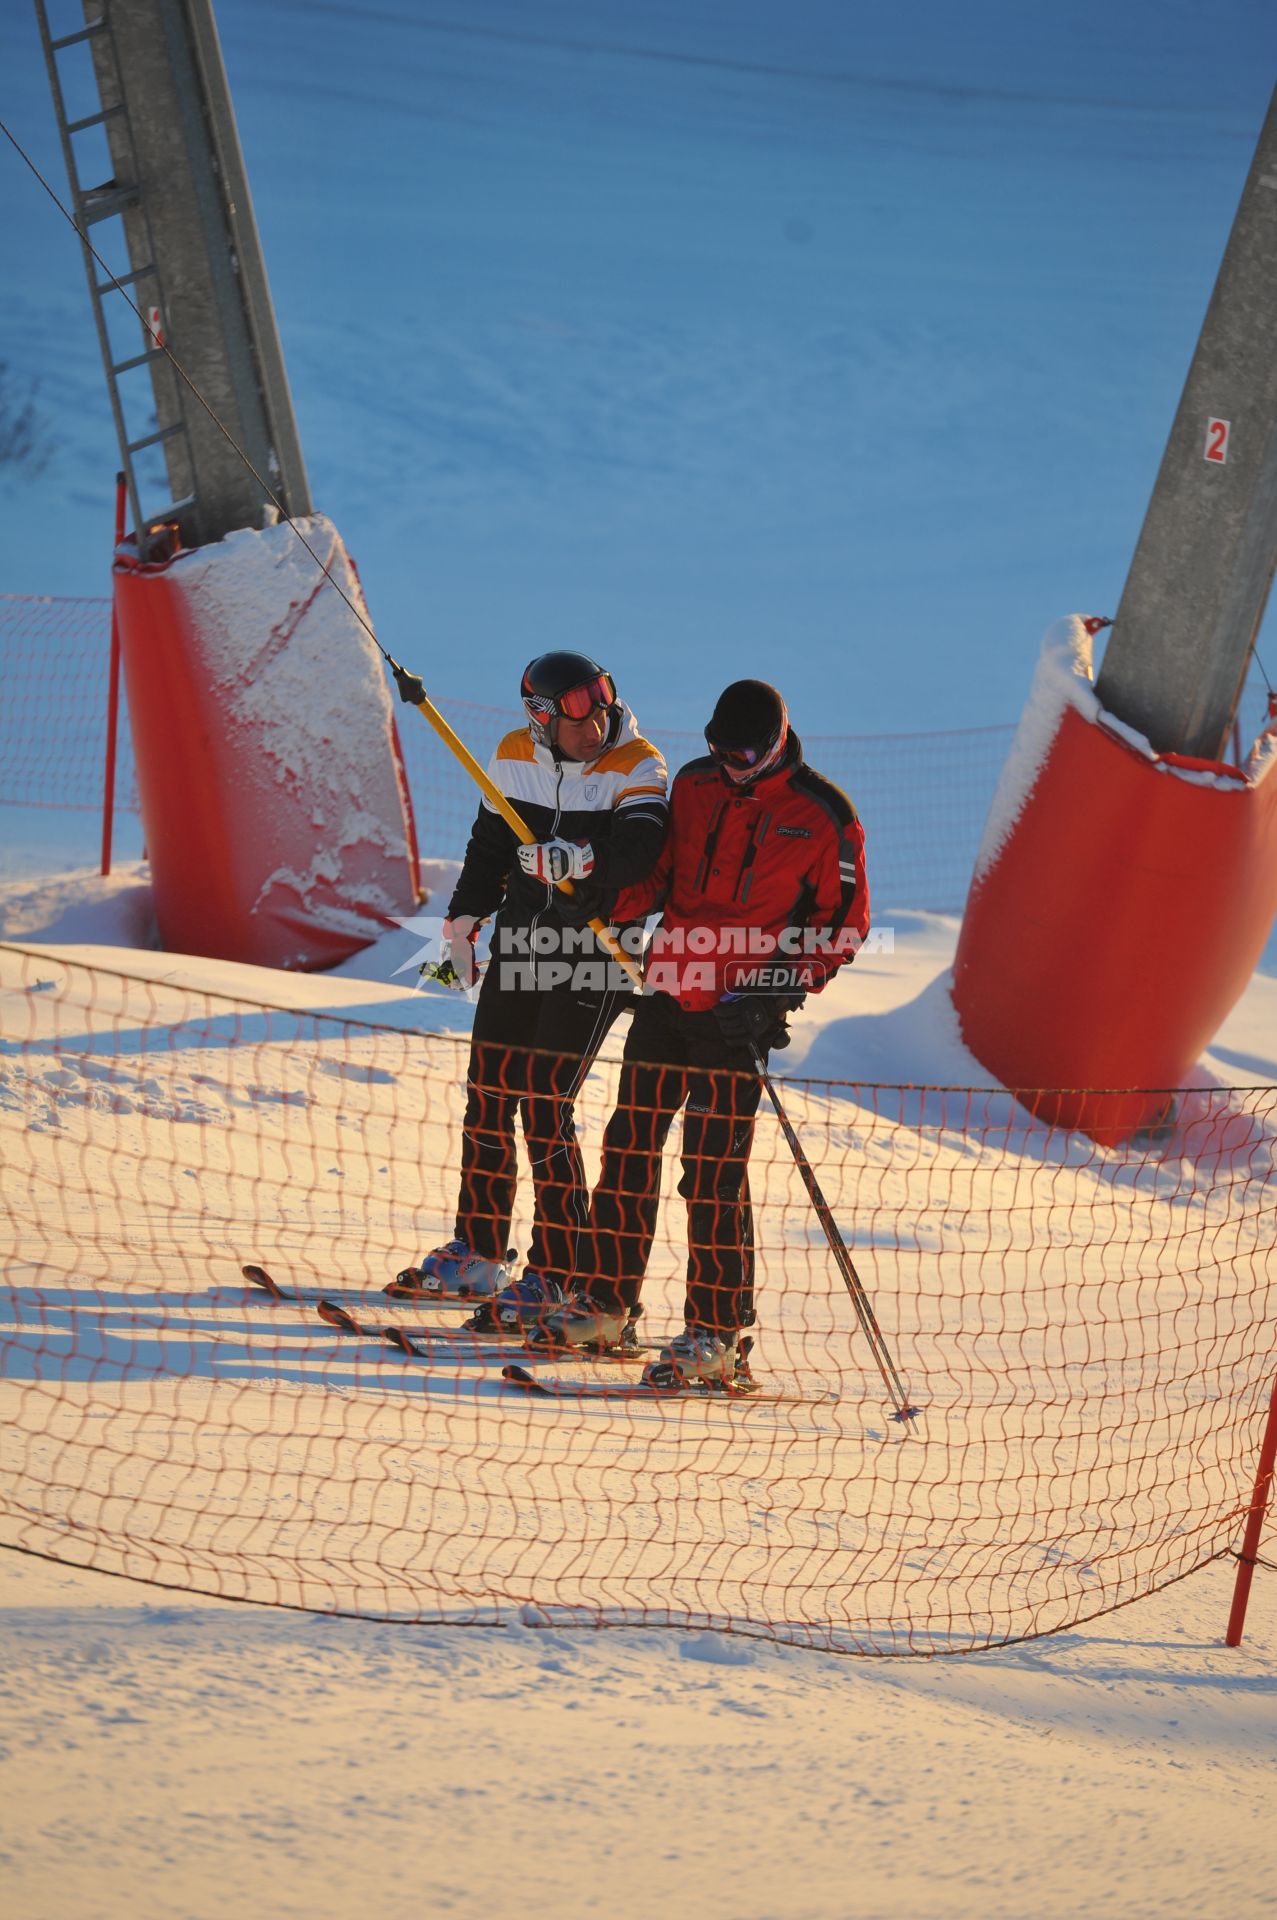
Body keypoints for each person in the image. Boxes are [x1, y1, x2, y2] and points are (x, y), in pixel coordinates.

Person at [539, 678, 869, 1387]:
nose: (731, 763)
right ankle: (606, 1302)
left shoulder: (823, 815)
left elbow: (840, 929)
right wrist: (603, 899)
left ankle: (716, 1334)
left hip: (734, 1019)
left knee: (713, 1176)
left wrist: (771, 993)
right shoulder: (693, 785)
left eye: (744, 753)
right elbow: (658, 876)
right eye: (719, 749)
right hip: (667, 991)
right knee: (627, 1145)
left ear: (777, 742)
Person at [405, 652, 668, 1320]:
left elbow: (644, 849)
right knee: (489, 1090)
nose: (595, 723)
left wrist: (582, 857)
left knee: (545, 1101)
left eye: (602, 703)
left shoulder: (636, 762)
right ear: (540, 717)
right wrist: (464, 919)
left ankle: (559, 1268)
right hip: (524, 940)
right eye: (578, 712)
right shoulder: (512, 752)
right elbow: (491, 843)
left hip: (597, 949)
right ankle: (480, 1247)